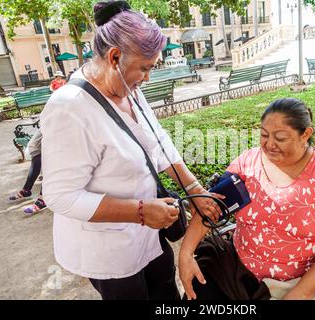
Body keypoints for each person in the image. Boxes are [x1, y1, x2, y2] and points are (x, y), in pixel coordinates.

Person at [40, 0, 220, 300]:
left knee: (167, 293)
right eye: (145, 68)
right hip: (108, 251)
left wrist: (195, 190)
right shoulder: (69, 108)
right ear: (114, 57)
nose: (147, 78)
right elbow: (60, 196)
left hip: (148, 234)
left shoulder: (129, 88)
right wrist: (139, 211)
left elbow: (158, 142)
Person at [179, 98, 315, 300]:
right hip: (237, 272)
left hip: (300, 281)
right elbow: (212, 207)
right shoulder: (248, 162)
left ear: (305, 134)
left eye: (280, 138)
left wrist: (299, 294)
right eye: (264, 135)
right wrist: (186, 253)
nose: (269, 145)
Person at [9, 129, 47, 215]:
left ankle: (43, 197)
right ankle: (27, 190)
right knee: (34, 148)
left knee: (49, 156)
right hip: (48, 120)